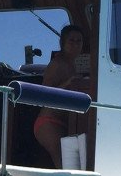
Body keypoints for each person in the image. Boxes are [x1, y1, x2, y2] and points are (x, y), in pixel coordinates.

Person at [33, 24, 89, 168]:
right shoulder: (57, 64)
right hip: (49, 122)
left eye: (79, 41)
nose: (76, 45)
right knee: (64, 166)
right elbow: (44, 95)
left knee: (69, 165)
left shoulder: (71, 65)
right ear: (62, 43)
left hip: (62, 122)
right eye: (71, 41)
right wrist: (68, 83)